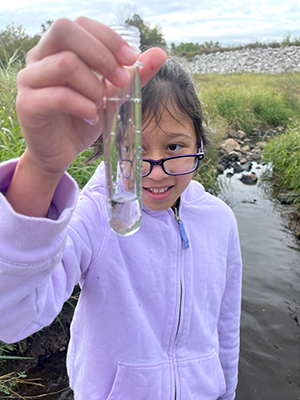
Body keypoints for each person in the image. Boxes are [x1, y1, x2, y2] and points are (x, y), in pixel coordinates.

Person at [0, 17, 242, 400]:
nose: (156, 172)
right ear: (108, 148)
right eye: (135, 150)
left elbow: (226, 325)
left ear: (200, 139)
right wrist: (41, 168)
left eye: (175, 148)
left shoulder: (220, 220)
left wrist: (227, 392)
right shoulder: (95, 216)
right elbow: (10, 316)